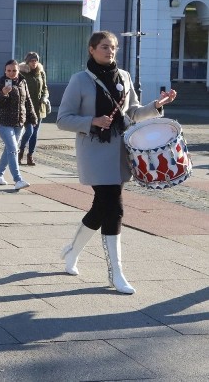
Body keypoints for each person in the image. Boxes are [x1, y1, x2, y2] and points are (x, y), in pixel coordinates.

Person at [57, 31, 177, 294]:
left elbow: (132, 113)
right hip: (95, 152)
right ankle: (116, 274)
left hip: (120, 151)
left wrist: (156, 105)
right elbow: (62, 118)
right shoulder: (80, 80)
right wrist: (92, 122)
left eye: (113, 47)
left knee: (102, 208)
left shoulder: (124, 76)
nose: (110, 51)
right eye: (104, 47)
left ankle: (72, 251)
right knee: (115, 208)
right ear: (91, 49)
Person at [0, 59, 37, 190]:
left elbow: (27, 100)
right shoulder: (1, 82)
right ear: (5, 71)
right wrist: (3, 94)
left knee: (9, 150)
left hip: (19, 122)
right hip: (4, 122)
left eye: (14, 70)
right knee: (13, 150)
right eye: (8, 71)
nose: (11, 73)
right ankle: (18, 179)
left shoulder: (23, 81)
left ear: (18, 70)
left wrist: (32, 117)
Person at [19, 52, 49, 166]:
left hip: (39, 108)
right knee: (29, 131)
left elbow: (45, 88)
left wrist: (45, 97)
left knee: (35, 133)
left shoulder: (41, 72)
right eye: (32, 61)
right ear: (27, 62)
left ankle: (30, 156)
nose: (34, 63)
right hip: (26, 108)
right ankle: (21, 151)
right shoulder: (22, 73)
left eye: (36, 61)